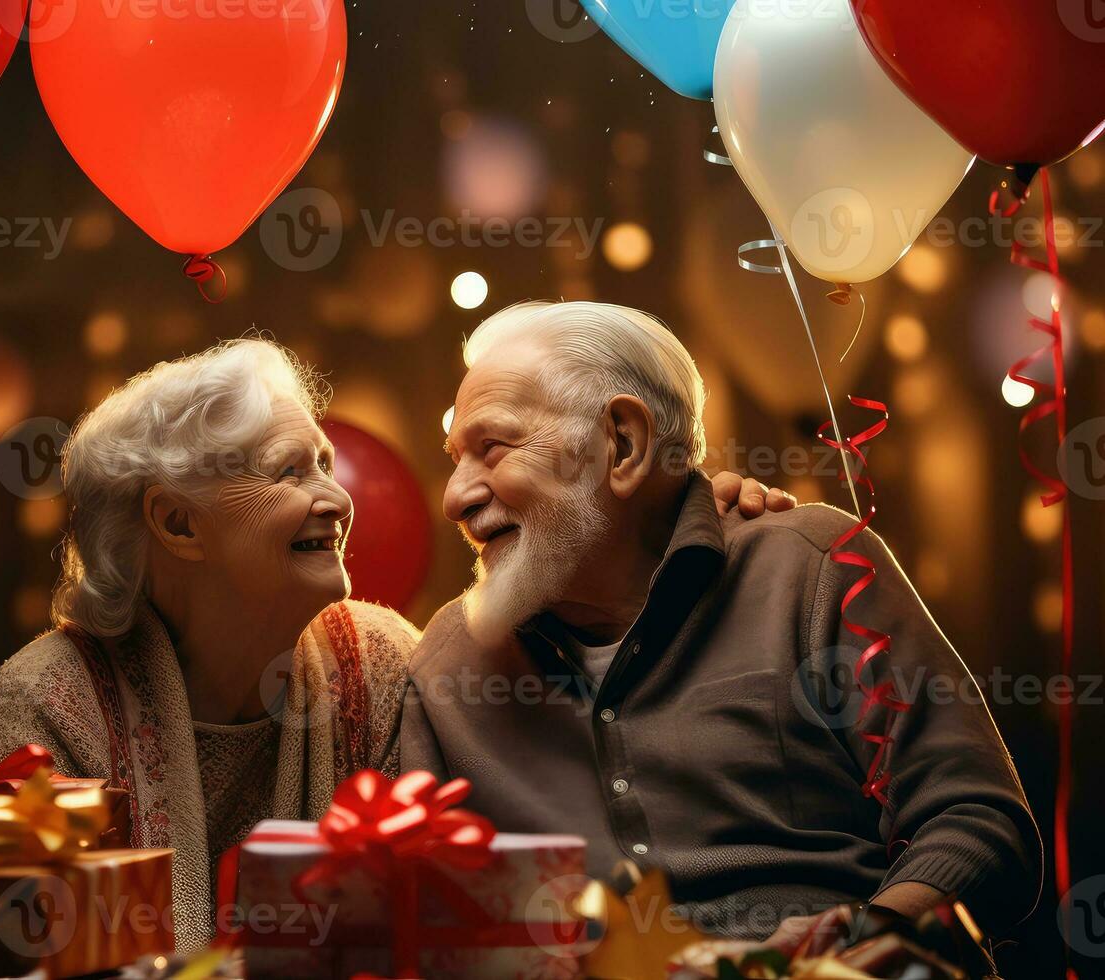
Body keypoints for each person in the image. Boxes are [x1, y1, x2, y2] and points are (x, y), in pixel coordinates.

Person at [0, 336, 789, 951]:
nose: (337, 498)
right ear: (179, 523)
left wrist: (677, 513)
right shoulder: (48, 702)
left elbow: (454, 894)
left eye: (326, 464)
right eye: (292, 472)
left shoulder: (385, 658)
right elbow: (0, 950)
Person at [401, 301, 1042, 943]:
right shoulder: (449, 661)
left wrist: (862, 944)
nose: (456, 497)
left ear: (622, 444)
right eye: (455, 457)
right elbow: (407, 900)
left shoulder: (813, 566)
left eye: (492, 448)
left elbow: (979, 824)